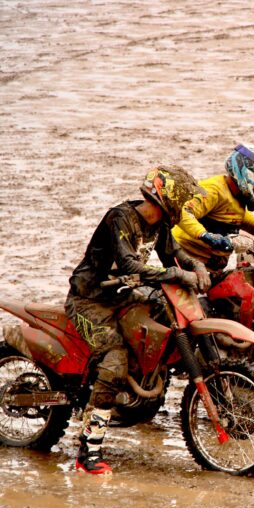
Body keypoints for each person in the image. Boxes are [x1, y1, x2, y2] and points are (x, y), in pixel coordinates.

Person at [65, 166, 210, 475]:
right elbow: (131, 262)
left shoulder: (160, 223)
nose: (185, 209)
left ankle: (145, 396)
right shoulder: (119, 218)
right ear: (166, 199)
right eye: (183, 202)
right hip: (89, 300)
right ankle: (88, 450)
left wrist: (197, 266)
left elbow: (174, 252)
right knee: (115, 360)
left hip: (123, 294)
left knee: (162, 315)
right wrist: (176, 274)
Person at [173, 144, 254, 271]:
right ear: (248, 173)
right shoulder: (213, 190)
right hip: (185, 258)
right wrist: (204, 235)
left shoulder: (235, 195)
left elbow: (236, 216)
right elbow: (183, 211)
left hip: (210, 263)